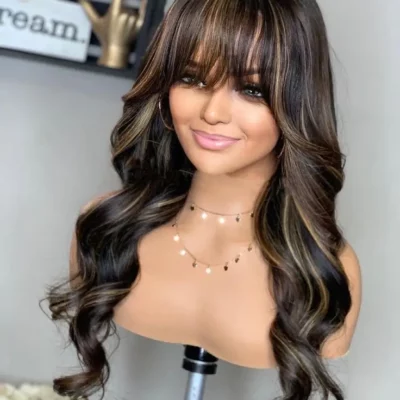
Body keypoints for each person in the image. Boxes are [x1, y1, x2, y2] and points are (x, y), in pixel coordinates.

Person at [45, 0, 362, 399]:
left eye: (252, 90)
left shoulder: (328, 271)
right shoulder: (105, 230)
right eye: (192, 79)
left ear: (297, 102)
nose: (213, 112)